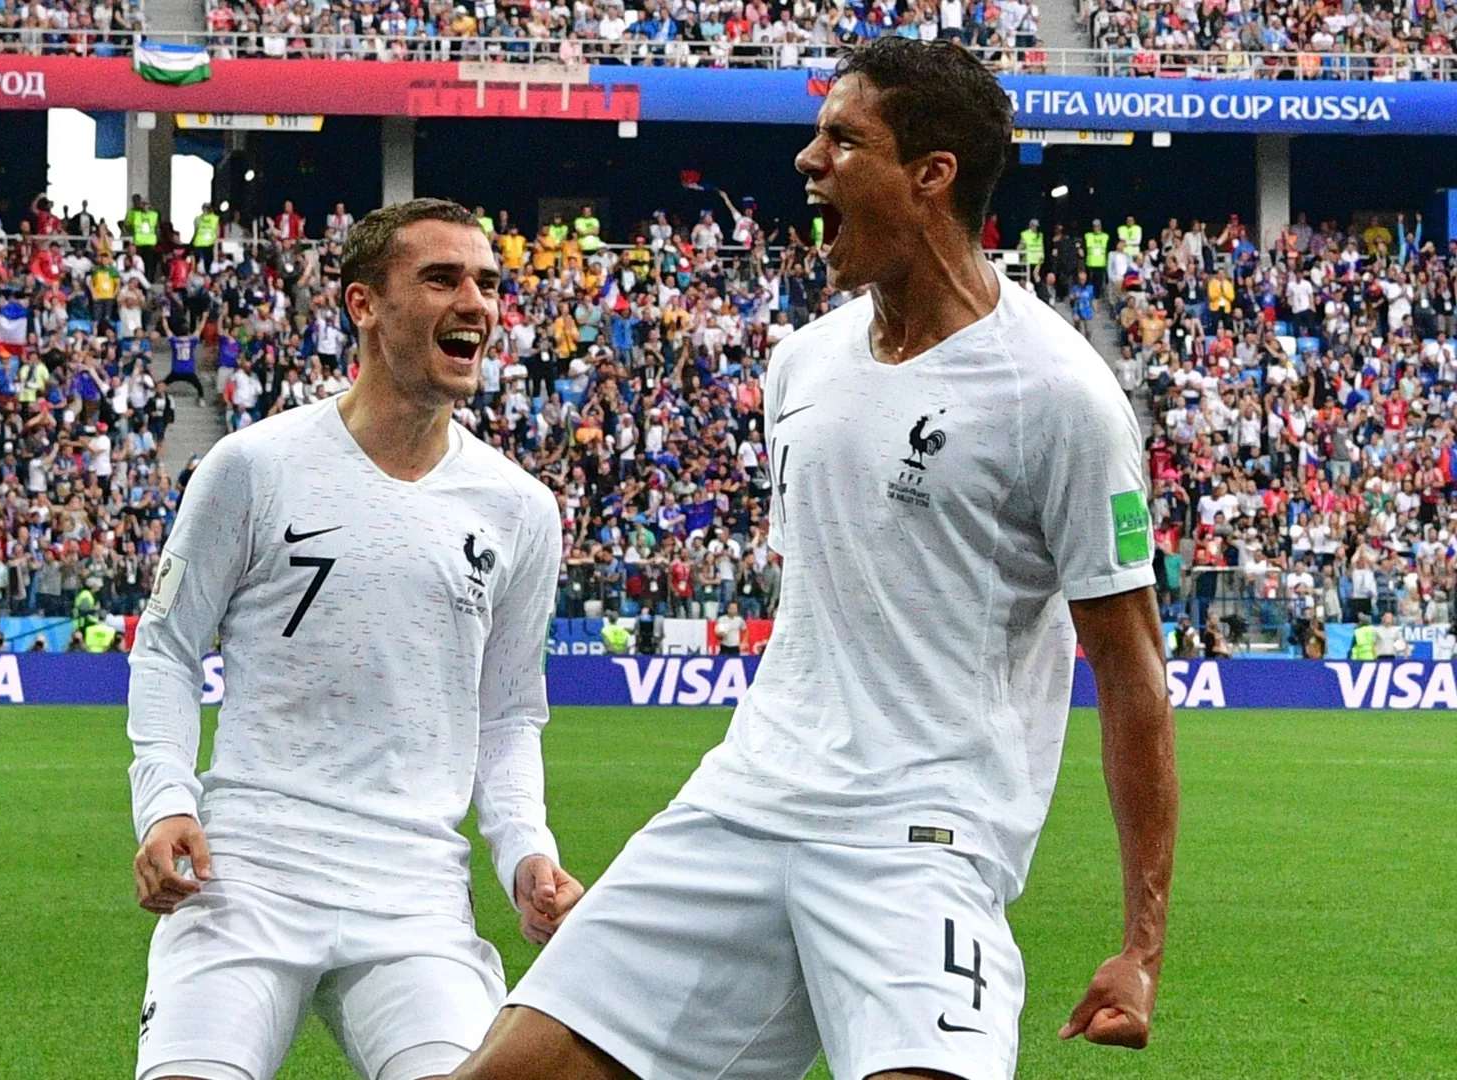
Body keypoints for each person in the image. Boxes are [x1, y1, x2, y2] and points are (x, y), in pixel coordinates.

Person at [457, 39, 1177, 1080]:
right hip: (745, 802)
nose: (808, 159)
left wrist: (1141, 945)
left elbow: (1131, 667)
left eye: (843, 139)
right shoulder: (800, 363)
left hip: (919, 837)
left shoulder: (1060, 396)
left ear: (931, 175)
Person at [128, 198, 583, 1080]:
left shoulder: (520, 509)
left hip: (415, 894)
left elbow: (508, 715)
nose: (476, 303)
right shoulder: (252, 465)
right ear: (363, 304)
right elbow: (169, 648)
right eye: (442, 278)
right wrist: (166, 802)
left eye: (488, 284)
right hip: (245, 874)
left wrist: (528, 849)